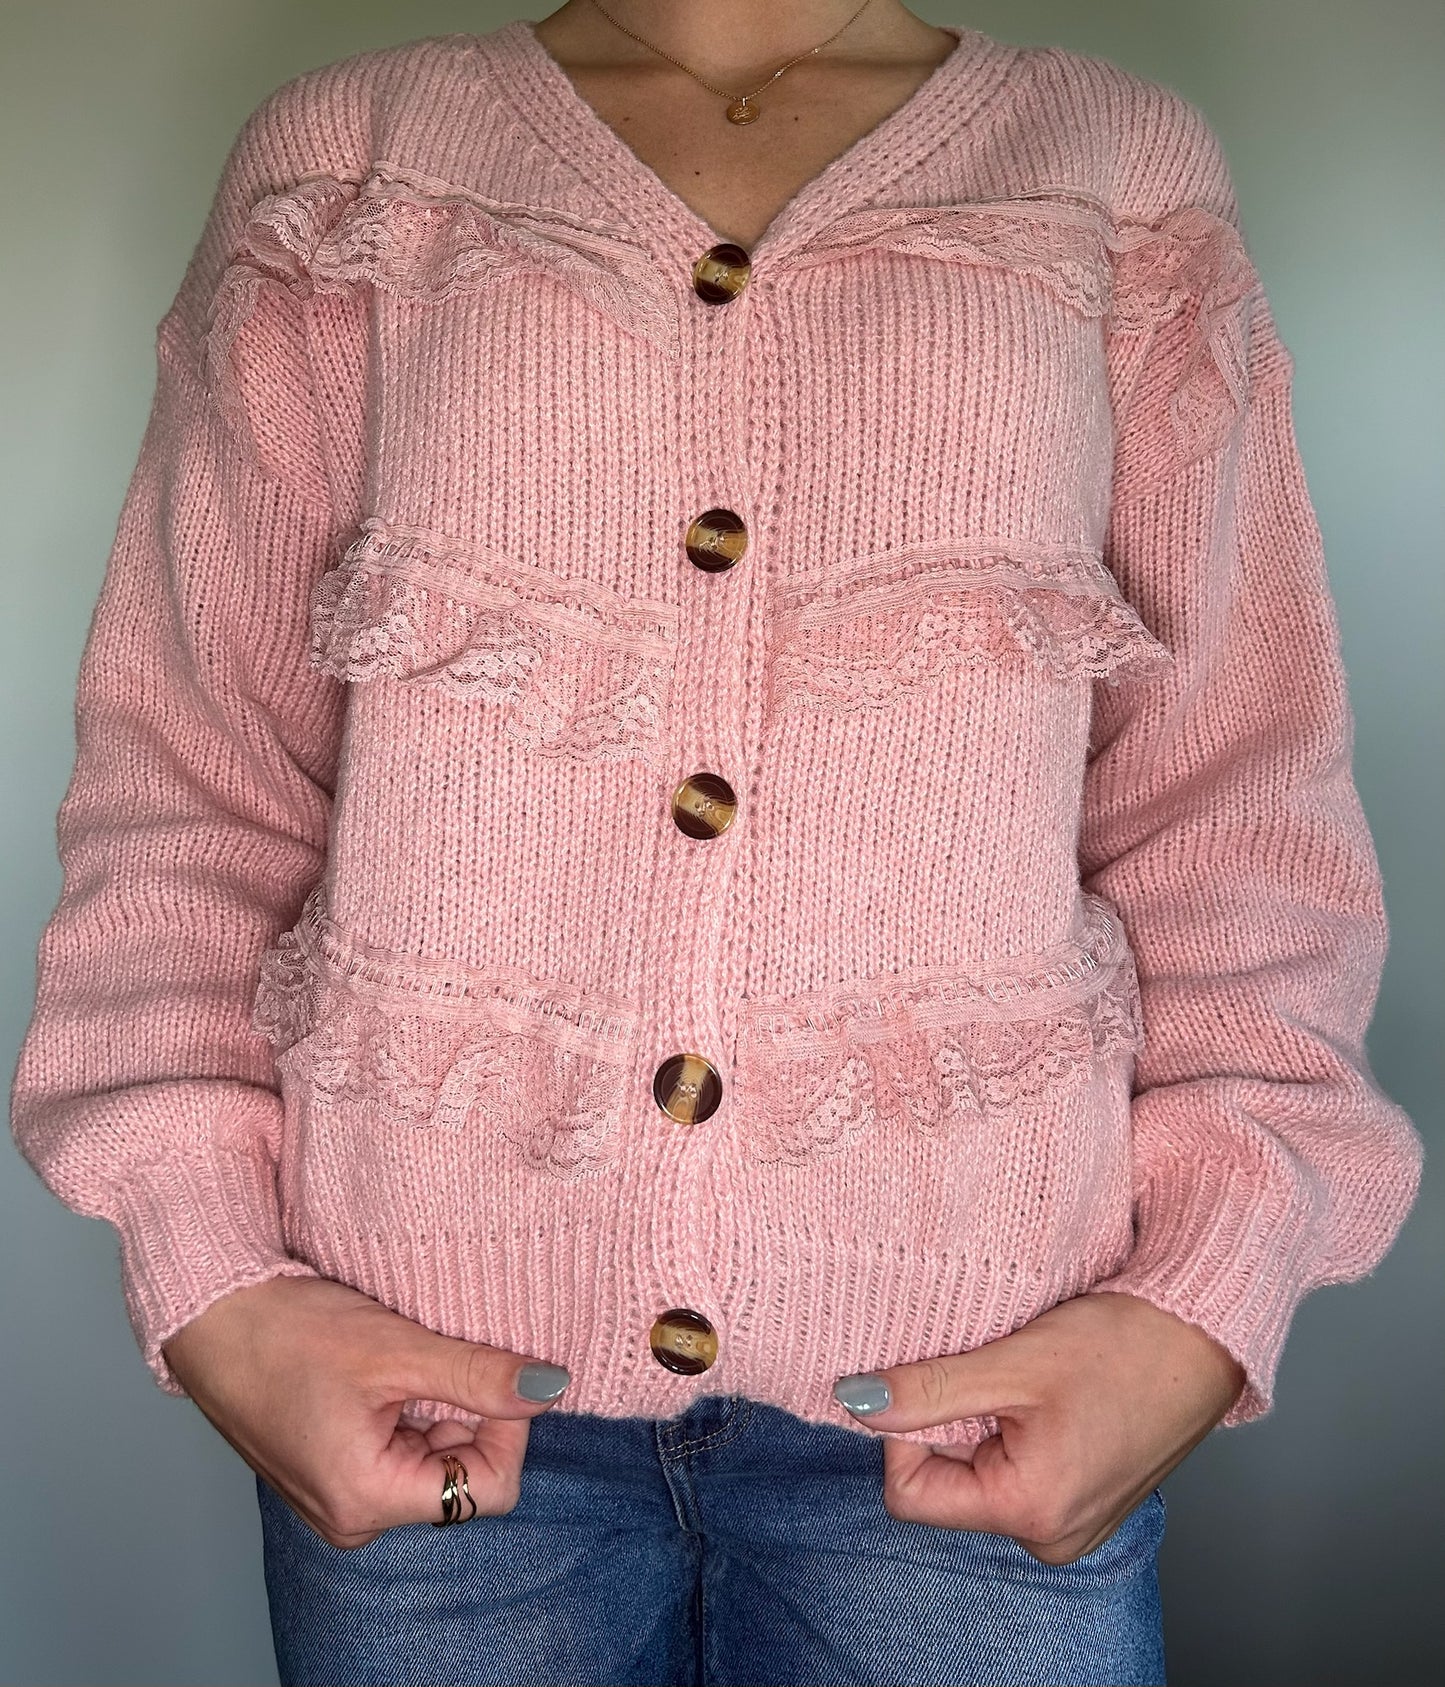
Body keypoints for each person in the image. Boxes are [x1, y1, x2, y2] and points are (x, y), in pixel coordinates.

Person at [8, 2, 1424, 1683]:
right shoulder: (357, 159)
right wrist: (211, 1272)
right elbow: (196, 754)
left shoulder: (1108, 169)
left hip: (992, 1376)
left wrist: (1199, 1301)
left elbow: (1229, 786)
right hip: (420, 1372)